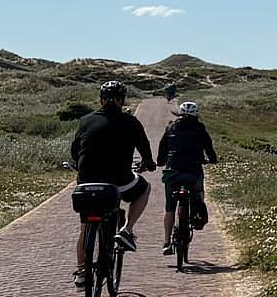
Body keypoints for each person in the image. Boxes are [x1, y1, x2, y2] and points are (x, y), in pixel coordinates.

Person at [69, 80, 155, 285]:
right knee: (145, 188)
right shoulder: (130, 121)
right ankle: (126, 230)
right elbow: (144, 148)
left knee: (84, 228)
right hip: (118, 181)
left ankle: (81, 272)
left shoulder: (86, 120)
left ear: (100, 100)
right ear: (122, 100)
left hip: (86, 182)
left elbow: (74, 150)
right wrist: (149, 163)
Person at [157, 99, 218, 255]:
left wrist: (160, 161)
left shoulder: (171, 127)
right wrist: (212, 159)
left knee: (170, 207)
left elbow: (162, 148)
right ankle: (196, 212)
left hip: (173, 171)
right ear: (196, 115)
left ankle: (166, 241)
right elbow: (208, 147)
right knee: (199, 193)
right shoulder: (200, 128)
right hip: (193, 171)